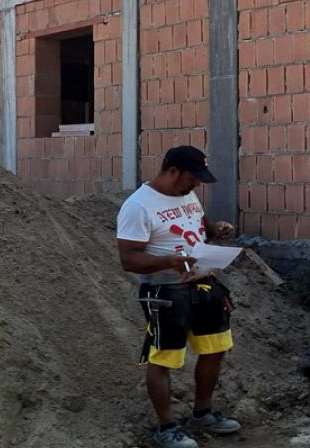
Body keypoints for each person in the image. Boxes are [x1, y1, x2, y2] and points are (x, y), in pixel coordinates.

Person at [116, 146, 242, 448]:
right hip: (166, 292)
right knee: (163, 358)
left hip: (203, 285)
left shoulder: (187, 195)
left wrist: (214, 229)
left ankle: (203, 413)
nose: (196, 184)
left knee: (215, 348)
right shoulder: (138, 206)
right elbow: (129, 259)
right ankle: (166, 428)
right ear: (172, 170)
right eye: (192, 177)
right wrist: (168, 262)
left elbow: (198, 226)